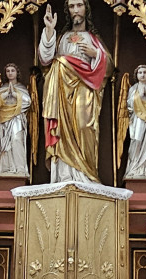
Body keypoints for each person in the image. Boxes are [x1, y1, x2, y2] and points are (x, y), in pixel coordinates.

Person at [39, 0, 113, 183]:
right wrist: (49, 30)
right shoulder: (61, 37)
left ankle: (86, 175)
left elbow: (110, 67)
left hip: (84, 88)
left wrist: (96, 54)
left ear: (86, 9)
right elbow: (45, 60)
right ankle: (63, 175)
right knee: (61, 131)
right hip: (61, 90)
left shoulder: (93, 39)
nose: (76, 10)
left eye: (79, 5)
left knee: (84, 127)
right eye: (72, 6)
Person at [0, 63, 32, 177]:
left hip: (17, 118)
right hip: (4, 120)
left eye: (13, 70)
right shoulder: (2, 88)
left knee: (17, 140)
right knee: (5, 144)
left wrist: (15, 94)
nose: (10, 73)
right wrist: (4, 96)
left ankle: (20, 168)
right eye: (8, 71)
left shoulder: (21, 88)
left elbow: (28, 102)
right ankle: (6, 168)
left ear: (17, 73)